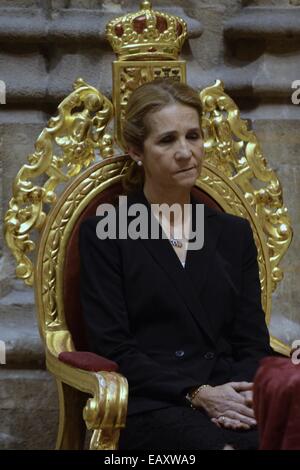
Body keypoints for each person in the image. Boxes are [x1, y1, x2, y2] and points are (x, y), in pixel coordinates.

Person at [79, 79, 273, 450]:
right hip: (154, 399)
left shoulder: (232, 232)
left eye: (193, 136)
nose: (186, 152)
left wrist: (241, 394)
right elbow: (114, 348)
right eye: (167, 140)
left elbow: (252, 342)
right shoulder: (106, 231)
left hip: (231, 391)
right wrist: (198, 394)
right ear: (136, 150)